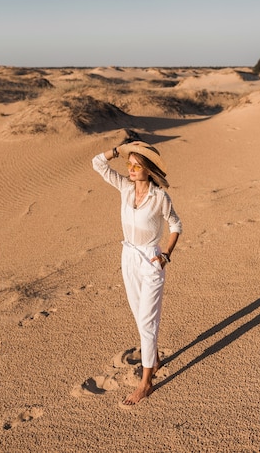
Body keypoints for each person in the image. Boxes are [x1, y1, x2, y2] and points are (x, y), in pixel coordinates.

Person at [92, 141, 182, 405]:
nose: (130, 169)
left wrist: (166, 253)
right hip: (128, 257)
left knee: (147, 321)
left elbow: (176, 223)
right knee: (138, 314)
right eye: (128, 165)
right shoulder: (124, 188)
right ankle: (152, 360)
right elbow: (97, 163)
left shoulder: (159, 198)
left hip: (151, 260)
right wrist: (119, 150)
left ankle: (146, 383)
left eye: (136, 165)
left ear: (148, 169)